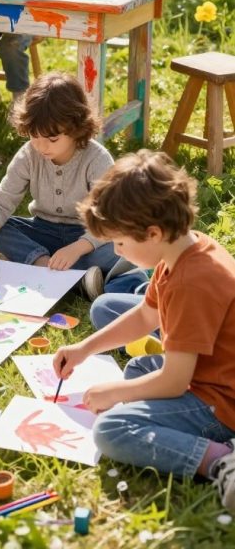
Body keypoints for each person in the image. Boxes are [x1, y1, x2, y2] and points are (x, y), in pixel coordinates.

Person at [53, 150, 235, 514]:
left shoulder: (192, 280)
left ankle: (221, 461)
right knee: (137, 370)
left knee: (111, 430)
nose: (117, 252)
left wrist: (116, 392)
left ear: (153, 233)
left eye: (120, 243)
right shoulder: (182, 251)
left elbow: (173, 383)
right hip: (208, 378)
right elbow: (145, 315)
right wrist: (83, 349)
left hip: (222, 402)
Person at [0, 72, 118, 300]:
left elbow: (110, 219)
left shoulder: (97, 159)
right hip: (43, 231)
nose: (42, 146)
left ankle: (38, 267)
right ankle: (54, 270)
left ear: (76, 128)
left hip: (88, 235)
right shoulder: (29, 154)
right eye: (34, 136)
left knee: (121, 248)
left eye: (52, 139)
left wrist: (79, 247)